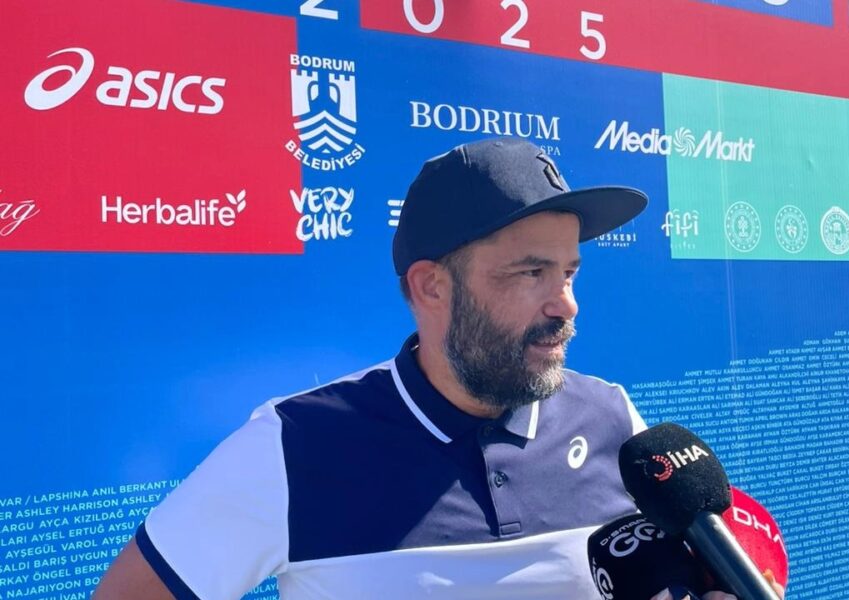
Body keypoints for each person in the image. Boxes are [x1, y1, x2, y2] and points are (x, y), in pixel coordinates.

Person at [95, 138, 769, 599]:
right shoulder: (295, 444)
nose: (565, 304)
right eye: (530, 272)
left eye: (568, 272)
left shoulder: (614, 419)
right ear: (431, 287)